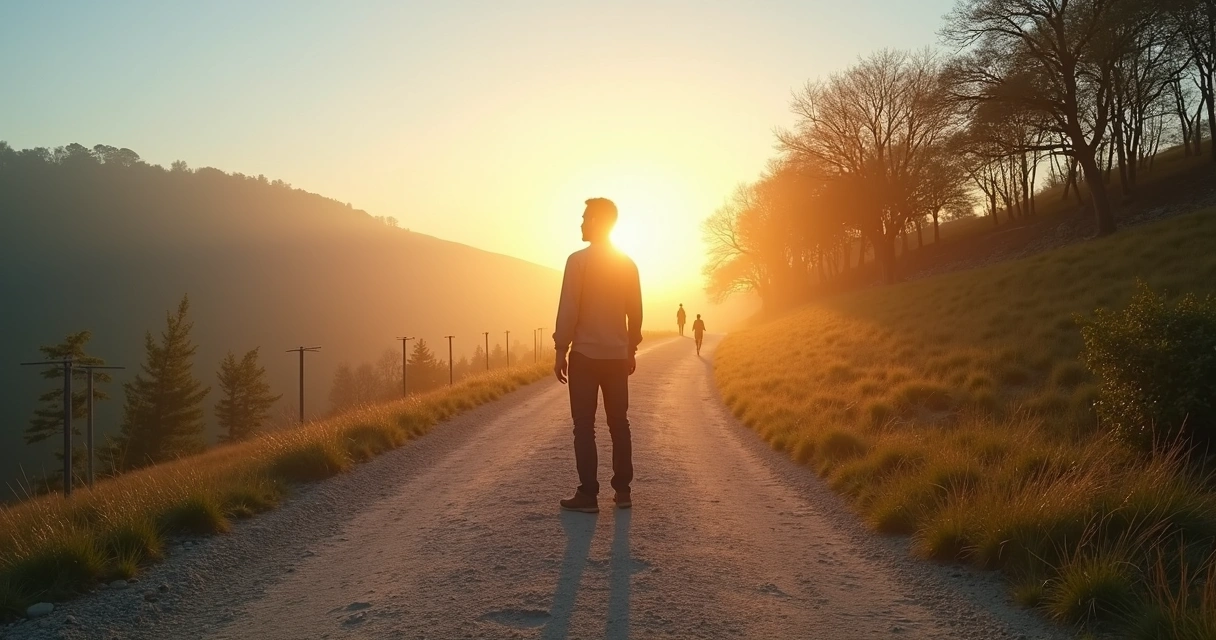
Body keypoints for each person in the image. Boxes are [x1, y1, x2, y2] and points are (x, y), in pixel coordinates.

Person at [553, 197, 643, 513]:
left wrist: (560, 348)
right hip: (617, 356)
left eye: (584, 217)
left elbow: (569, 309)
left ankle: (588, 495)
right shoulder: (627, 263)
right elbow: (636, 311)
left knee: (584, 425)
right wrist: (630, 348)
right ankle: (623, 492)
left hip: (585, 357)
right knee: (619, 423)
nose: (581, 223)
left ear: (596, 222)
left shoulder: (578, 261)